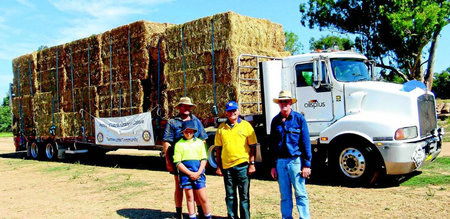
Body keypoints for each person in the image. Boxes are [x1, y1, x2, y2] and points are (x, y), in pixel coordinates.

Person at [163, 96, 208, 219]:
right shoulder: (172, 122)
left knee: (196, 186)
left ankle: (199, 212)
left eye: (189, 106)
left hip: (195, 160)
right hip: (180, 160)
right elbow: (167, 142)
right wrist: (168, 160)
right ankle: (179, 213)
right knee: (179, 186)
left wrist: (202, 159)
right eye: (184, 106)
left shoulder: (196, 121)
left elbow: (203, 139)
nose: (187, 108)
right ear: (179, 108)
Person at [269, 90, 312, 219]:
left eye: (286, 101)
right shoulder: (275, 121)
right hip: (281, 163)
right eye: (281, 102)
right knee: (285, 195)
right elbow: (272, 146)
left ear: (290, 103)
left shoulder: (299, 119)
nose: (284, 104)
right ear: (279, 104)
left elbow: (306, 143)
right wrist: (273, 166)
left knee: (300, 193)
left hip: (295, 162)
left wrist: (307, 165)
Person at [214, 101, 258, 219]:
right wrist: (219, 167)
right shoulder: (221, 128)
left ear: (238, 111)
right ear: (226, 113)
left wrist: (252, 164)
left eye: (234, 110)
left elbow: (253, 147)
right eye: (229, 111)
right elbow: (218, 149)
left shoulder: (246, 126)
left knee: (244, 196)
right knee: (230, 196)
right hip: (227, 167)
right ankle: (232, 217)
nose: (232, 113)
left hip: (242, 165)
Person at [173, 120, 212, 219]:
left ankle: (208, 216)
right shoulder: (179, 144)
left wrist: (198, 172)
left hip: (199, 174)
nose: (188, 133)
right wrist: (190, 173)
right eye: (186, 131)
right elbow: (178, 162)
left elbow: (204, 159)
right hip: (186, 175)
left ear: (194, 131)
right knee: (190, 197)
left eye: (191, 131)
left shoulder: (199, 143)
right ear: (182, 132)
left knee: (203, 197)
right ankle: (192, 216)